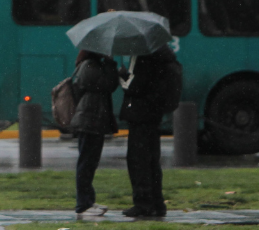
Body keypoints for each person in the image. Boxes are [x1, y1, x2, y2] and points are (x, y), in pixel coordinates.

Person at [119, 46, 181, 217]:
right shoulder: (163, 57)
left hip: (141, 114)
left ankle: (143, 203)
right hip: (153, 115)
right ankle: (157, 202)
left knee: (138, 160)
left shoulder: (144, 58)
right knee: (152, 161)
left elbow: (134, 86)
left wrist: (122, 76)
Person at [69, 50, 119, 216]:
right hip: (90, 120)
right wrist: (111, 65)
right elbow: (108, 84)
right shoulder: (90, 66)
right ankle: (83, 204)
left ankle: (88, 201)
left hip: (93, 119)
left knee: (89, 163)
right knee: (86, 163)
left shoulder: (91, 65)